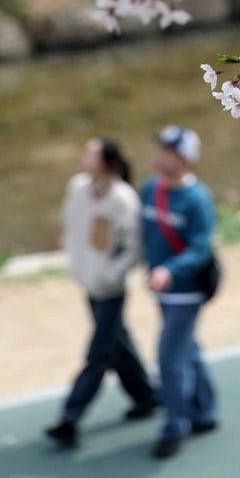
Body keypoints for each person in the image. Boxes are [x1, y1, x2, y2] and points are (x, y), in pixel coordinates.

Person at [45, 137, 159, 449]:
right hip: (88, 283)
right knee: (116, 343)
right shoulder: (78, 188)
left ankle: (69, 419)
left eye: (90, 155)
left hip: (110, 289)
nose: (83, 159)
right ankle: (146, 396)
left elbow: (133, 247)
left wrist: (111, 274)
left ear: (107, 163)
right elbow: (70, 226)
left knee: (98, 355)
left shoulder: (123, 199)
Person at [141, 125, 219, 459]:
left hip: (185, 293)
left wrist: (169, 270)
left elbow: (201, 249)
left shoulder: (197, 199)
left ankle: (176, 425)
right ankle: (205, 412)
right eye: (160, 148)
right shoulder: (149, 190)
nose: (160, 155)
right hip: (160, 291)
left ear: (184, 159)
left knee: (169, 358)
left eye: (168, 151)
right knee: (188, 350)